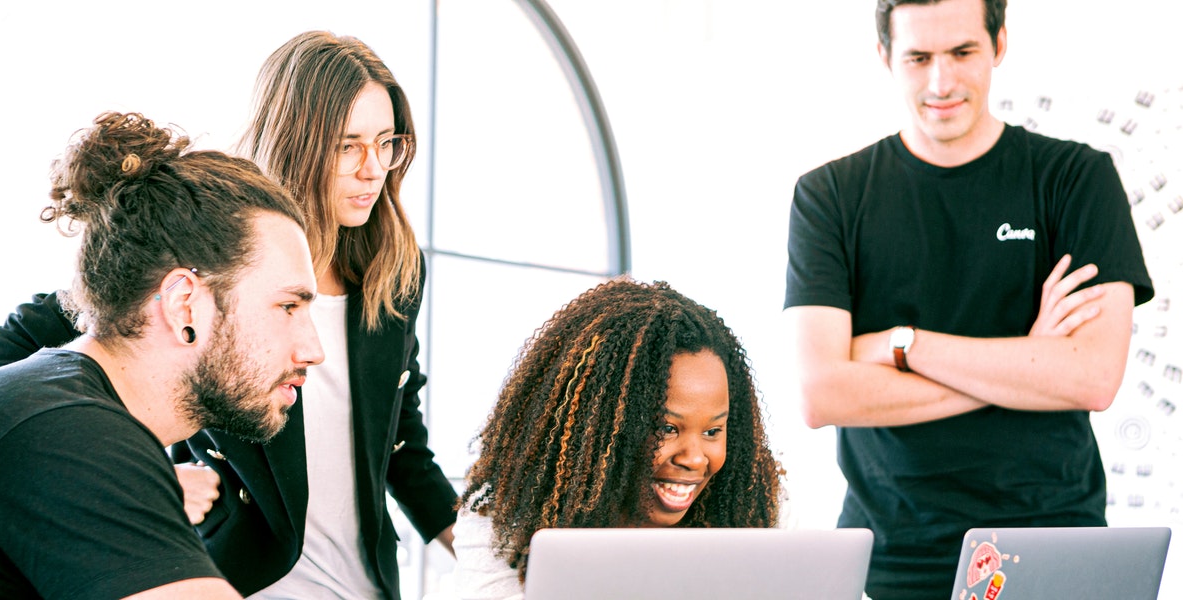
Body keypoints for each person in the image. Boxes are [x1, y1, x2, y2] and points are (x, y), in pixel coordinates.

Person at [0, 31, 458, 598]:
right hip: (235, 573)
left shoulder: (395, 270)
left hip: (363, 580)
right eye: (348, 145)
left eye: (387, 143)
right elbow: (28, 367)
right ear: (298, 142)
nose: (372, 169)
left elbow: (400, 441)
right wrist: (147, 474)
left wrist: (487, 549)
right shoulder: (206, 247)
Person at [781, 0, 1155, 598]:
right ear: (885, 58)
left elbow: (1090, 377)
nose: (941, 82)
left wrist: (903, 346)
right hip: (893, 560)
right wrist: (1025, 364)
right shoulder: (830, 197)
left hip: (1054, 548)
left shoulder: (1075, 180)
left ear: (999, 43)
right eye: (918, 57)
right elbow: (820, 393)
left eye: (962, 52)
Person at [0, 111, 324, 598]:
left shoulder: (67, 406)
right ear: (185, 303)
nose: (315, 350)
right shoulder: (67, 430)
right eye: (288, 306)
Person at [453, 279, 782, 599]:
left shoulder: (758, 507)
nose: (694, 459)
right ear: (597, 427)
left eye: (712, 432)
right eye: (667, 428)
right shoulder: (505, 515)